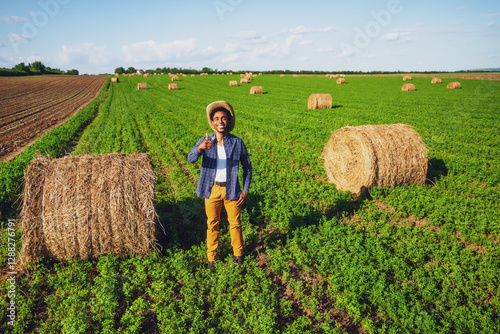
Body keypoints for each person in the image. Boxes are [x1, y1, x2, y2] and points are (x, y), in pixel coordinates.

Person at [187, 101, 252, 272]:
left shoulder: (237, 143)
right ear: (212, 121)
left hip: (232, 190)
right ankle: (212, 259)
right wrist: (200, 148)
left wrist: (245, 189)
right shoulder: (206, 140)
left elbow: (248, 167)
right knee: (212, 224)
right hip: (212, 189)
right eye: (217, 119)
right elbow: (190, 159)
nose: (220, 122)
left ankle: (238, 256)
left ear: (228, 121)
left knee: (235, 223)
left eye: (223, 118)